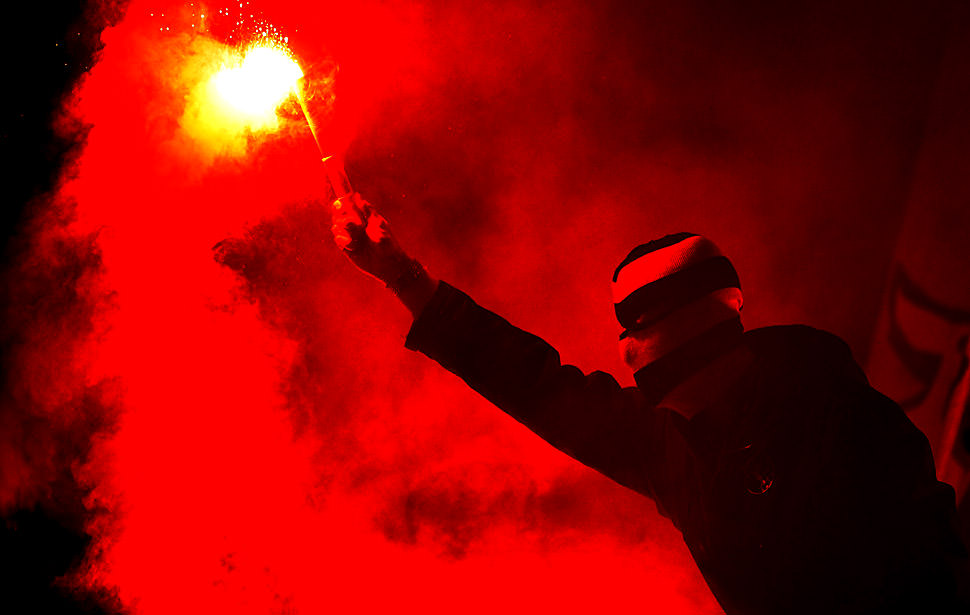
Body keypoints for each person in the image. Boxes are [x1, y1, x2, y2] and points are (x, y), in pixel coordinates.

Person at [329, 193, 970, 614]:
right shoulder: (664, 442)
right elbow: (535, 384)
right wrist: (402, 276)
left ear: (682, 330)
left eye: (633, 329)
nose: (622, 350)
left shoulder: (832, 413)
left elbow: (930, 557)